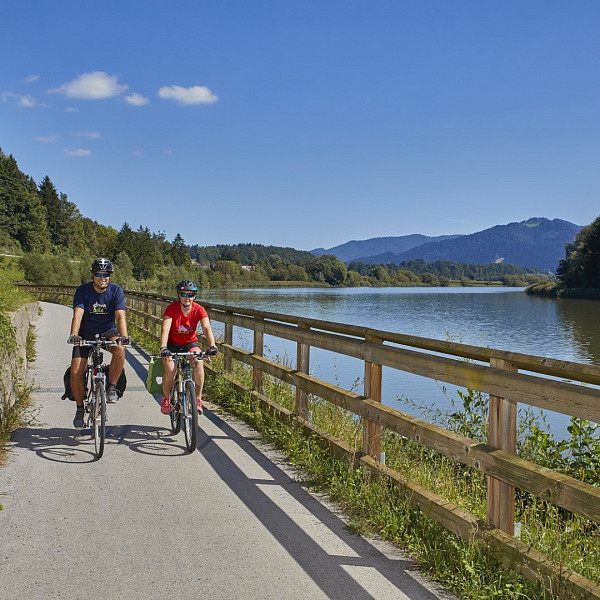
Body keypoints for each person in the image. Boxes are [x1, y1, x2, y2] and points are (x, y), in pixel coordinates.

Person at [68, 257, 129, 428]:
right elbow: (78, 313)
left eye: (106, 274)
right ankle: (80, 408)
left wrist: (124, 336)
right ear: (92, 275)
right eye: (99, 274)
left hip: (107, 332)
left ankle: (111, 387)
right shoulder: (83, 290)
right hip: (85, 333)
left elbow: (120, 315)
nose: (102, 278)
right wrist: (74, 334)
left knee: (120, 349)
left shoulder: (116, 291)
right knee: (76, 372)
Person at [160, 279, 217, 415]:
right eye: (184, 294)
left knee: (198, 362)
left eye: (190, 294)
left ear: (194, 296)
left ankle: (198, 399)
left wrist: (212, 346)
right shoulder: (171, 309)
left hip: (189, 343)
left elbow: (206, 328)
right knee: (171, 369)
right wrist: (163, 347)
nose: (187, 298)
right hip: (172, 344)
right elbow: (165, 329)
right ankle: (166, 398)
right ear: (178, 295)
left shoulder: (199, 309)